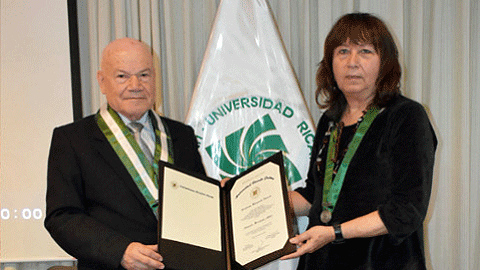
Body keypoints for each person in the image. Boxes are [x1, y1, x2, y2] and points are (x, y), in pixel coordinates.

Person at [280, 13, 437, 269]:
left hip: (381, 260)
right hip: (321, 260)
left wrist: (334, 232)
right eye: (342, 51)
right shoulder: (329, 120)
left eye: (365, 51)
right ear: (330, 63)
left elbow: (407, 210)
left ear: (385, 63)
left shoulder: (406, 116)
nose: (352, 62)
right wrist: (242, 197)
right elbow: (314, 196)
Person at [45, 38, 206, 270]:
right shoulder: (71, 140)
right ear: (102, 81)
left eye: (144, 75)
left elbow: (197, 203)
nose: (135, 85)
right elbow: (62, 217)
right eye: (122, 76)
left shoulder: (182, 135)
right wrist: (120, 251)